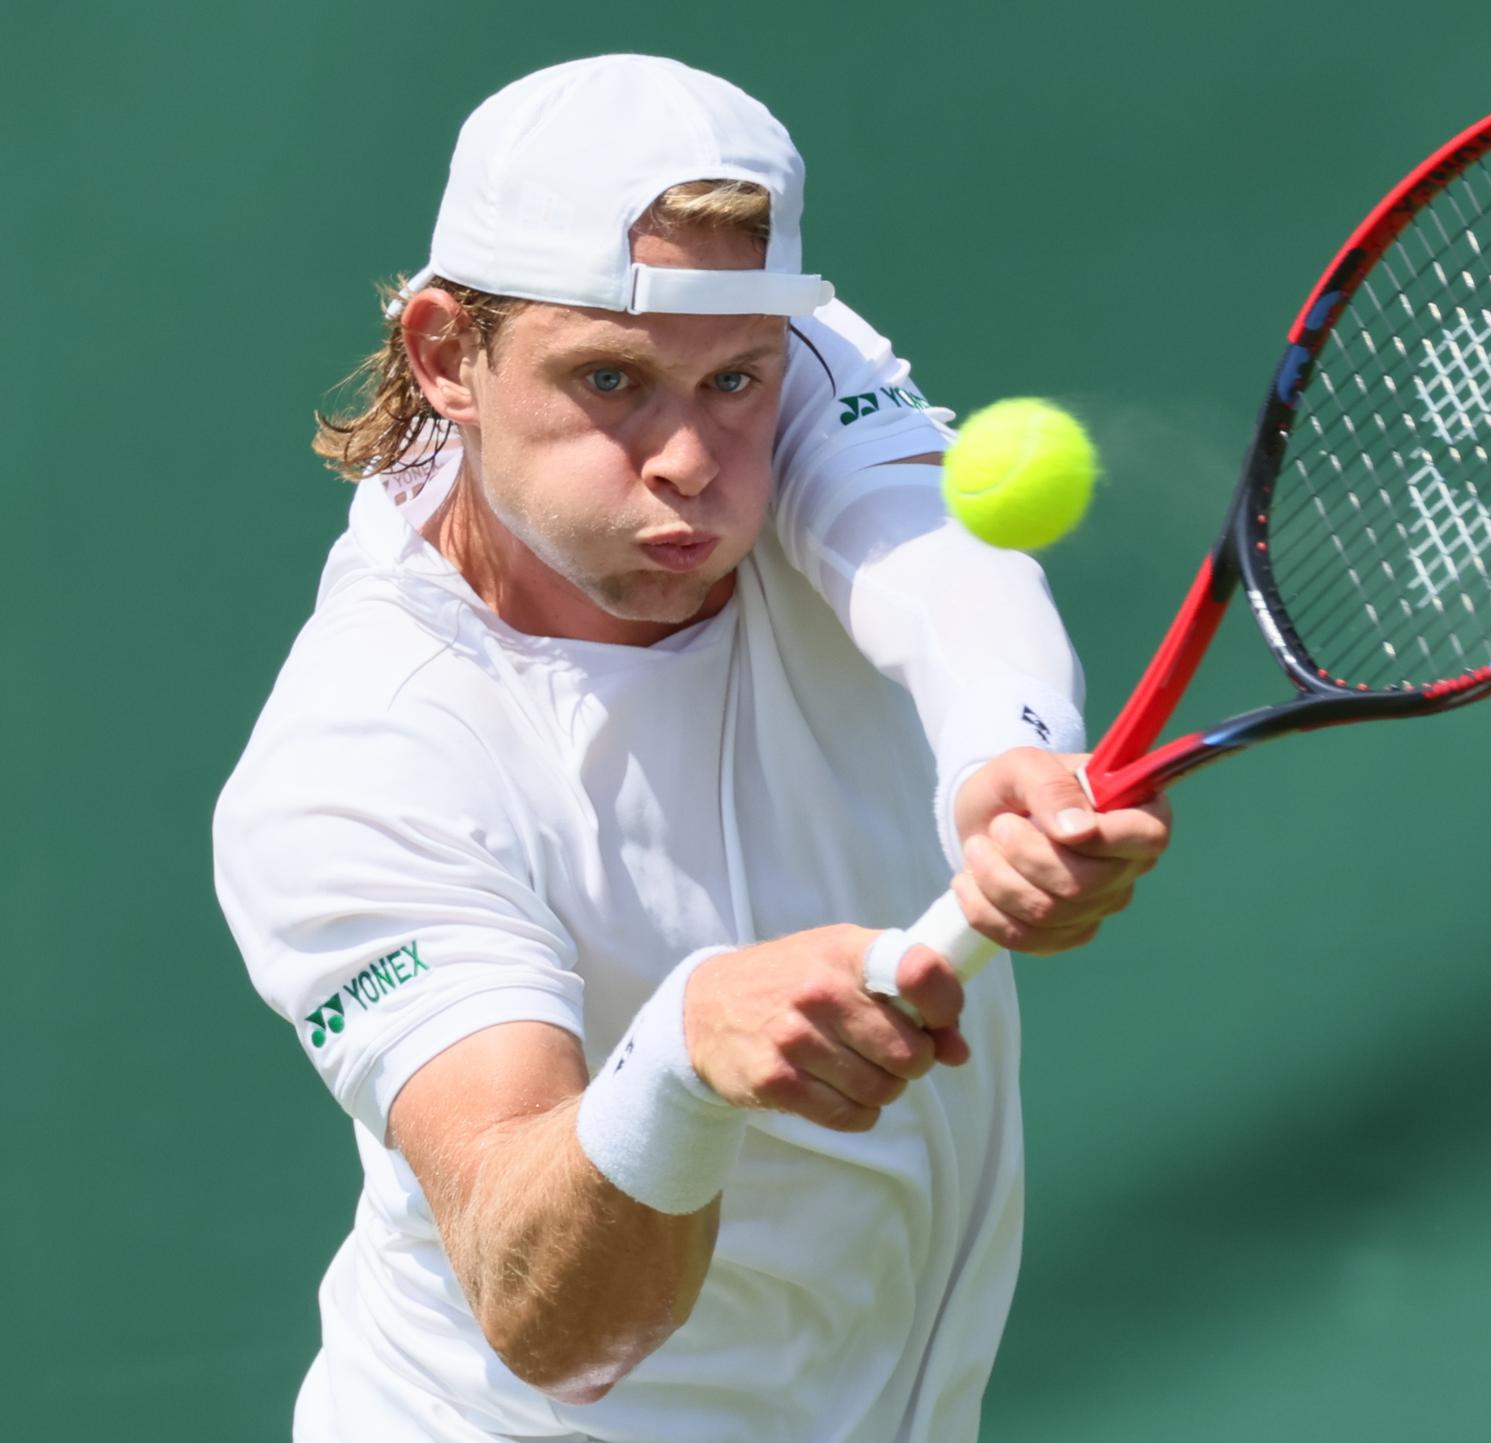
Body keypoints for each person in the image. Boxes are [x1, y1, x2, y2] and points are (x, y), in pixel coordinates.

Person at [213, 54, 1169, 1442]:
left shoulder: (769, 364)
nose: (688, 458)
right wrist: (683, 1054)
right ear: (444, 355)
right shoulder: (364, 756)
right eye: (609, 380)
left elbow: (933, 558)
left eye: (736, 382)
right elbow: (542, 1308)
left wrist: (1000, 754)